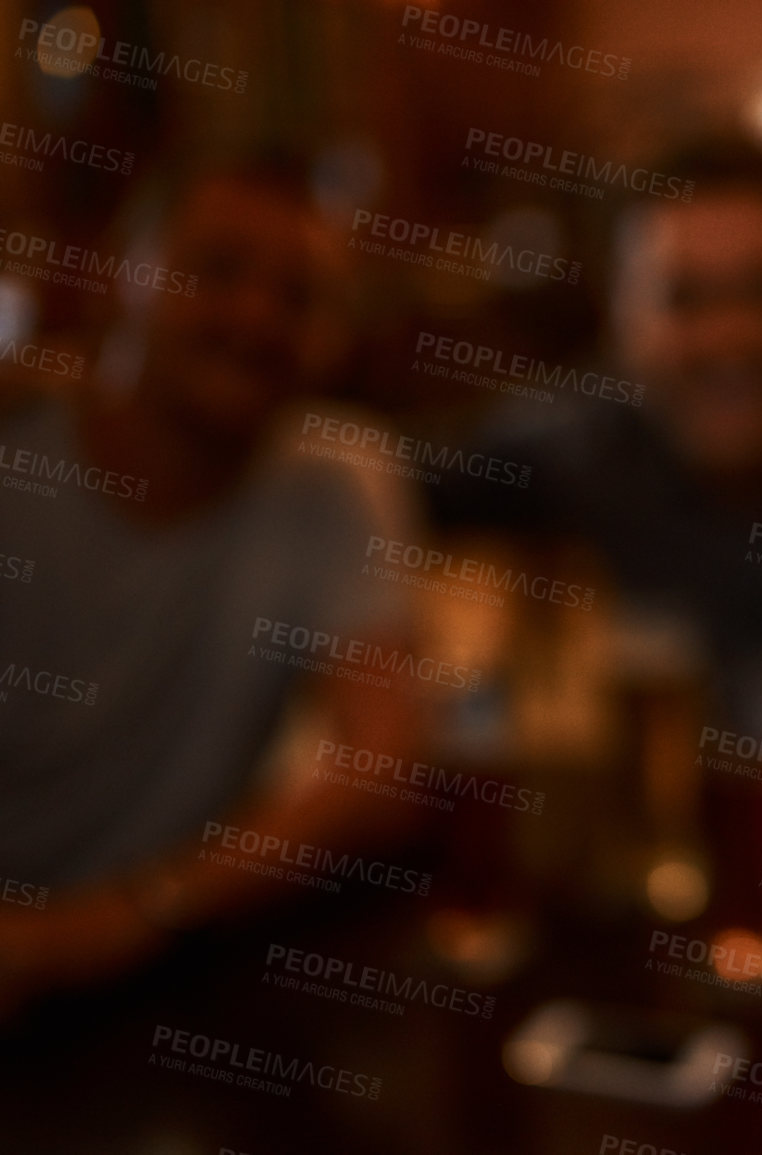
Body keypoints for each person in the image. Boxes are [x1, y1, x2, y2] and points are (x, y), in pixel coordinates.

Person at [0, 155, 421, 1014]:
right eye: (216, 269)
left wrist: (127, 917)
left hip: (147, 986)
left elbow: (379, 769)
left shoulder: (336, 479)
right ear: (125, 273)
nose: (256, 314)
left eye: (300, 295)